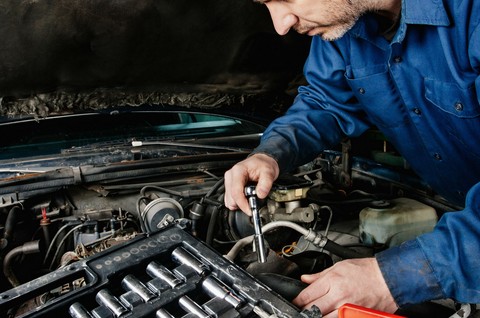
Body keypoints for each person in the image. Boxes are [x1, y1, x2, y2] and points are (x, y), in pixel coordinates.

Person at [224, 0, 480, 317]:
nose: (281, 24)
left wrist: (394, 277)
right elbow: (325, 101)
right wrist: (271, 154)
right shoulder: (345, 25)